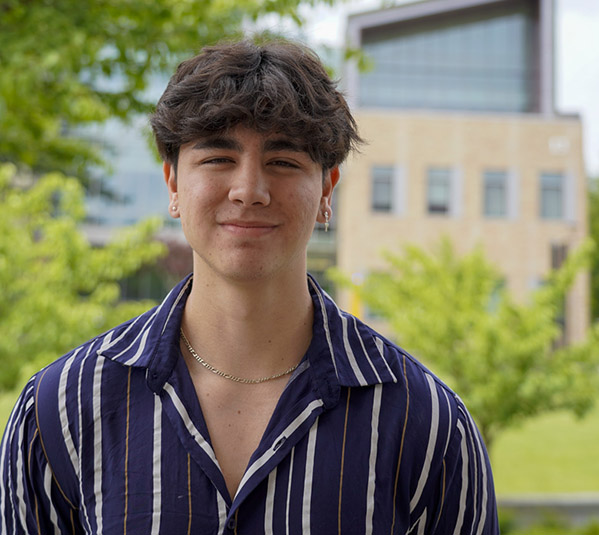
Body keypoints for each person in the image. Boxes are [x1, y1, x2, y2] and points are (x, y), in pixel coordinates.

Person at [1, 39, 499, 534]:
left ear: (327, 191)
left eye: (283, 162)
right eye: (219, 158)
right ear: (173, 184)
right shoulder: (60, 409)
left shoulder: (427, 423)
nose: (249, 191)